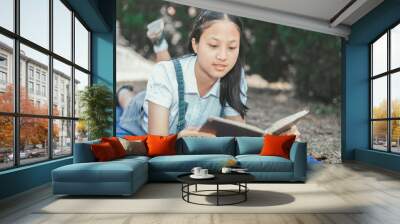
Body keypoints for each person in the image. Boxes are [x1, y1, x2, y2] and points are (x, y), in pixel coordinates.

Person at [119, 10, 300, 138]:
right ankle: (122, 91)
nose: (223, 56)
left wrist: (277, 140)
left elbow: (237, 134)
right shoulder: (165, 73)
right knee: (130, 102)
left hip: (167, 102)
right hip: (142, 117)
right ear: (195, 44)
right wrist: (180, 137)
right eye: (213, 46)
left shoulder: (235, 77)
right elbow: (157, 143)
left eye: (232, 47)